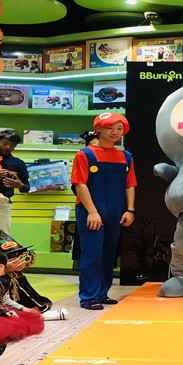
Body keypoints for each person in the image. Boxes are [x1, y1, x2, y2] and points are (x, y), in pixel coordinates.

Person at [71, 112, 135, 310]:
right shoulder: (85, 154)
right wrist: (92, 211)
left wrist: (130, 209)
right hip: (91, 210)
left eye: (119, 128)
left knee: (109, 253)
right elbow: (80, 184)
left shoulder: (126, 156)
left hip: (116, 210)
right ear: (98, 129)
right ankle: (88, 297)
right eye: (110, 128)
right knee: (92, 253)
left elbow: (130, 185)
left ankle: (101, 293)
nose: (115, 132)